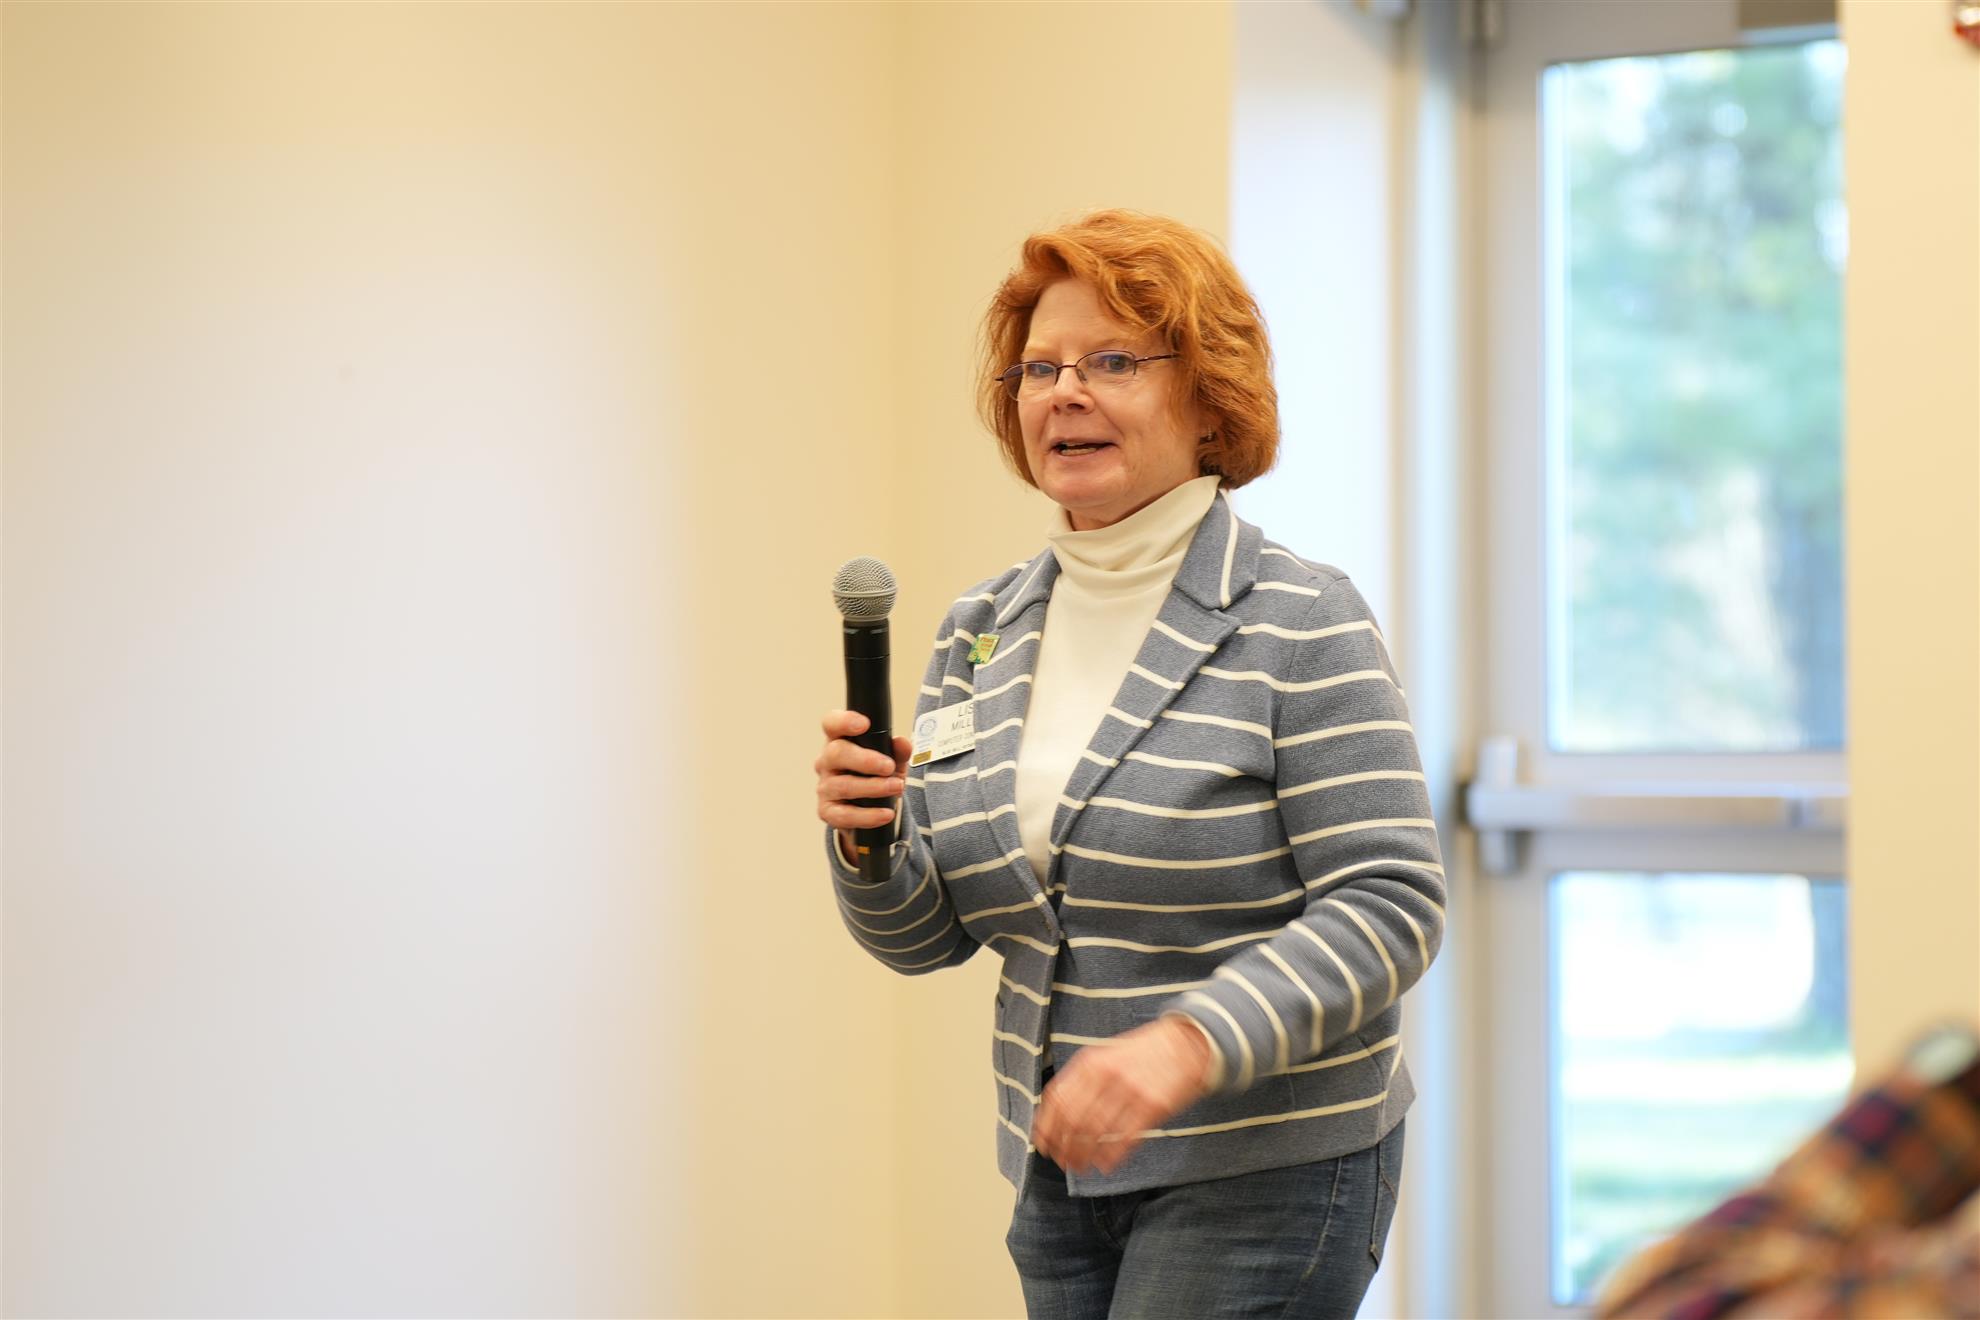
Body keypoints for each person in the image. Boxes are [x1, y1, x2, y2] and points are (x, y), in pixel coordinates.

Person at [812, 210, 1445, 1318]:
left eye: (1112, 362)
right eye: (1041, 368)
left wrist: (1186, 1045)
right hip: (1058, 1174)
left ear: (1208, 400)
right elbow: (927, 939)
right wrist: (867, 840)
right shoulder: (980, 631)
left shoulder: (1301, 619)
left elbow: (1390, 904)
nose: (1065, 393)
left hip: (1264, 1170)